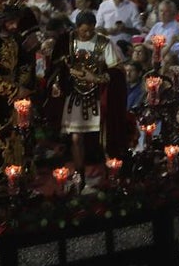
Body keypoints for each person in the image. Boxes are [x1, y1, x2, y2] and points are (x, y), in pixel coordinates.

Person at [52, 11, 125, 175]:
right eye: (84, 30)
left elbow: (117, 70)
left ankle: (109, 175)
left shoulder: (103, 43)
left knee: (103, 139)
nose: (88, 34)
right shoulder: (67, 42)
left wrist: (96, 78)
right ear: (77, 28)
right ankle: (79, 174)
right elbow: (58, 67)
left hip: (97, 96)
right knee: (76, 138)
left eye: (91, 30)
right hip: (75, 95)